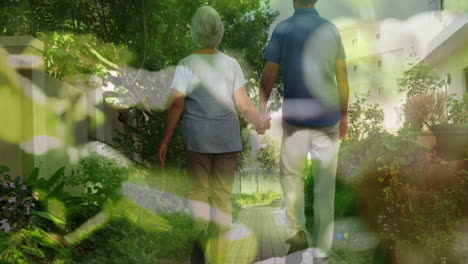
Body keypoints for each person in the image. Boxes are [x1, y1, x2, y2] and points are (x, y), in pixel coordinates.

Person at [157, 6, 271, 264]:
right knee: (222, 199)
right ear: (219, 31)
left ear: (194, 31)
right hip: (227, 140)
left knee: (198, 192)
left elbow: (177, 104)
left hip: (197, 139)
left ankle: (199, 245)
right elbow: (243, 105)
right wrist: (260, 122)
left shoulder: (187, 64)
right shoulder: (231, 64)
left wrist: (165, 138)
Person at [259, 0, 349, 263]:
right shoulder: (331, 30)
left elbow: (269, 73)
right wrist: (344, 114)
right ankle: (322, 249)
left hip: (296, 119)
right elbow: (342, 77)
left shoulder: (283, 29)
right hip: (328, 120)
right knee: (325, 188)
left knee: (292, 179)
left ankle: (297, 234)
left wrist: (262, 109)